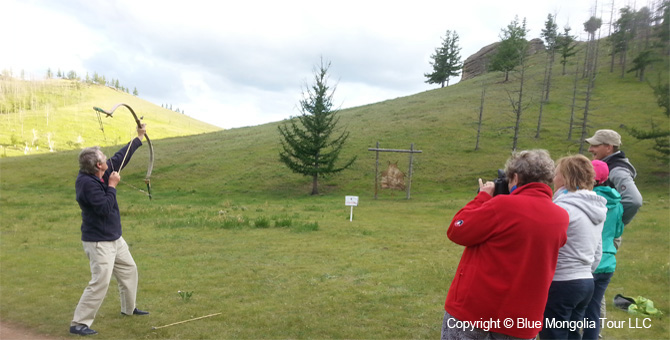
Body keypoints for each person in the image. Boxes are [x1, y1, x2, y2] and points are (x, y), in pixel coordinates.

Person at [442, 149, 569, 340]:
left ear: (515, 178)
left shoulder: (501, 206)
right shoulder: (561, 216)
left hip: (476, 310)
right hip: (523, 317)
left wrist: (483, 197)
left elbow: (458, 230)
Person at [70, 125, 149, 336]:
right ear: (98, 165)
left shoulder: (100, 172)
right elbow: (104, 208)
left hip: (114, 238)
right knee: (100, 281)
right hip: (99, 242)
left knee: (129, 270)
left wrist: (139, 137)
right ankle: (79, 323)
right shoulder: (86, 184)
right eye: (103, 159)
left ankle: (128, 309)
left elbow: (121, 157)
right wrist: (113, 185)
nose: (107, 160)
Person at [539, 154, 606, 340]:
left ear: (566, 178)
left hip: (562, 282)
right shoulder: (596, 208)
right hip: (585, 282)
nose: (553, 179)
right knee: (572, 334)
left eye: (556, 174)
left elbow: (546, 245)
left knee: (553, 334)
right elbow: (597, 250)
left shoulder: (562, 208)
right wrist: (586, 271)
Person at [582, 160, 624, 340]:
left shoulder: (590, 201)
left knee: (574, 311)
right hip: (608, 263)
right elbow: (618, 232)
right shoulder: (617, 202)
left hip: (590, 261)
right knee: (593, 310)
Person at [586, 129, 642, 228]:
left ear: (608, 148)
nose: (590, 149)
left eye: (595, 145)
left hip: (605, 232)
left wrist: (615, 224)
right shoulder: (609, 166)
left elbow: (634, 201)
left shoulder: (617, 170)